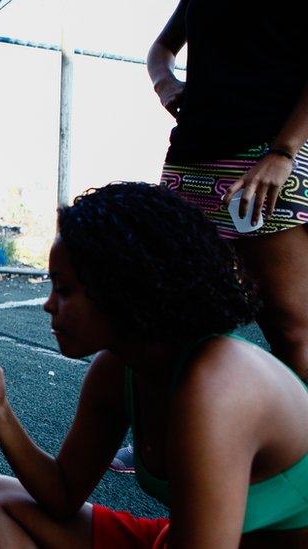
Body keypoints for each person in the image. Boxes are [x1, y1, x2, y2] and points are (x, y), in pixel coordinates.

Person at [0, 182, 308, 547]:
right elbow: (62, 493)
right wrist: (0, 413)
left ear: (122, 288)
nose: (49, 305)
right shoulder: (117, 369)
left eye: (64, 289)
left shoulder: (216, 386)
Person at [112, 0, 308, 475]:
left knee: (291, 326)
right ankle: (166, 440)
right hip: (190, 158)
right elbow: (161, 49)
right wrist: (165, 83)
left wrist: (284, 152)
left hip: (266, 155)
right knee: (170, 312)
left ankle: (296, 461)